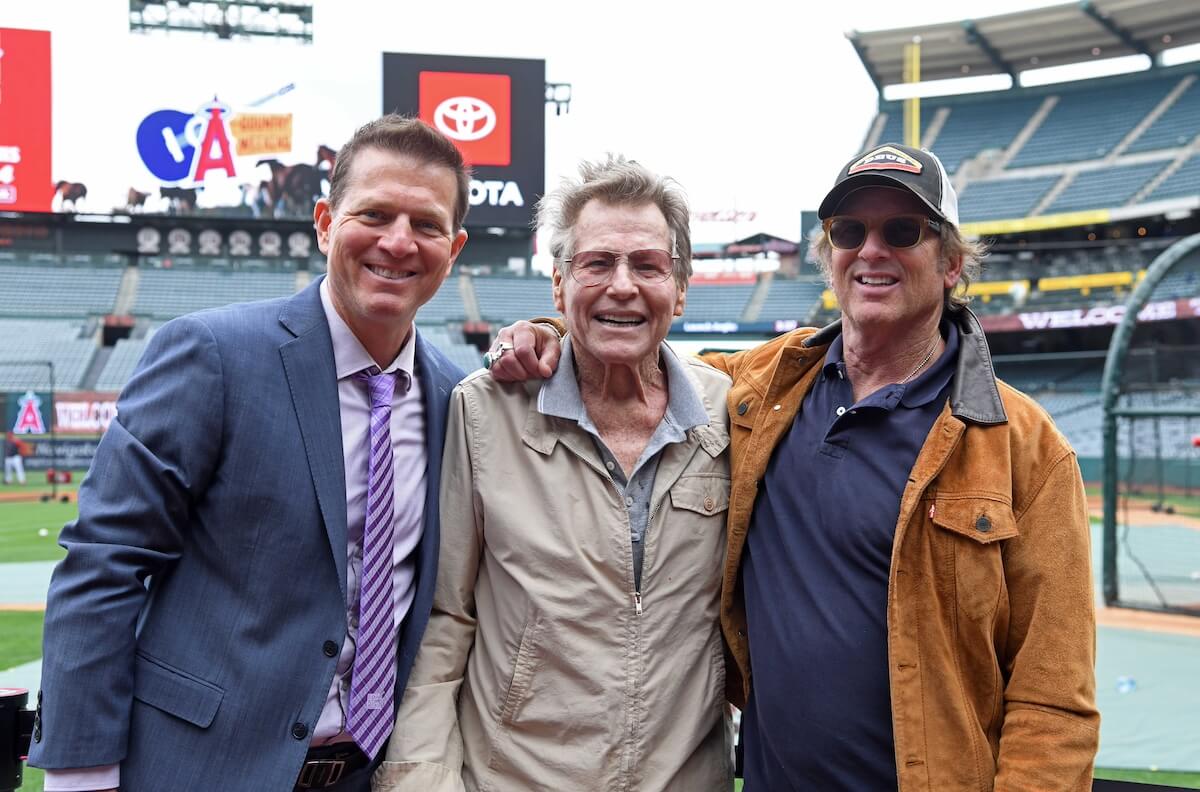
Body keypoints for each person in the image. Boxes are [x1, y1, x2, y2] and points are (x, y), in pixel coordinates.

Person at [488, 143, 1100, 790]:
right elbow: (635, 354)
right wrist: (549, 330)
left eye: (902, 230)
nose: (871, 250)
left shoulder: (1024, 446)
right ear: (828, 256)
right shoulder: (759, 386)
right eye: (849, 231)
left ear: (951, 262)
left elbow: (1054, 699)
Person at [29, 114, 471, 792]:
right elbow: (105, 562)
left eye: (427, 224)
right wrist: (82, 774)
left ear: (455, 246)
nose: (398, 242)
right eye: (374, 213)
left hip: (374, 775)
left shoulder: (454, 397)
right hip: (201, 769)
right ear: (324, 222)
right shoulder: (213, 356)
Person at [372, 156, 734, 792]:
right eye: (596, 264)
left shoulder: (731, 413)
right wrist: (420, 781)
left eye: (647, 265)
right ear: (560, 287)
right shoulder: (485, 410)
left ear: (680, 287)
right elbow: (443, 618)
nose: (622, 285)